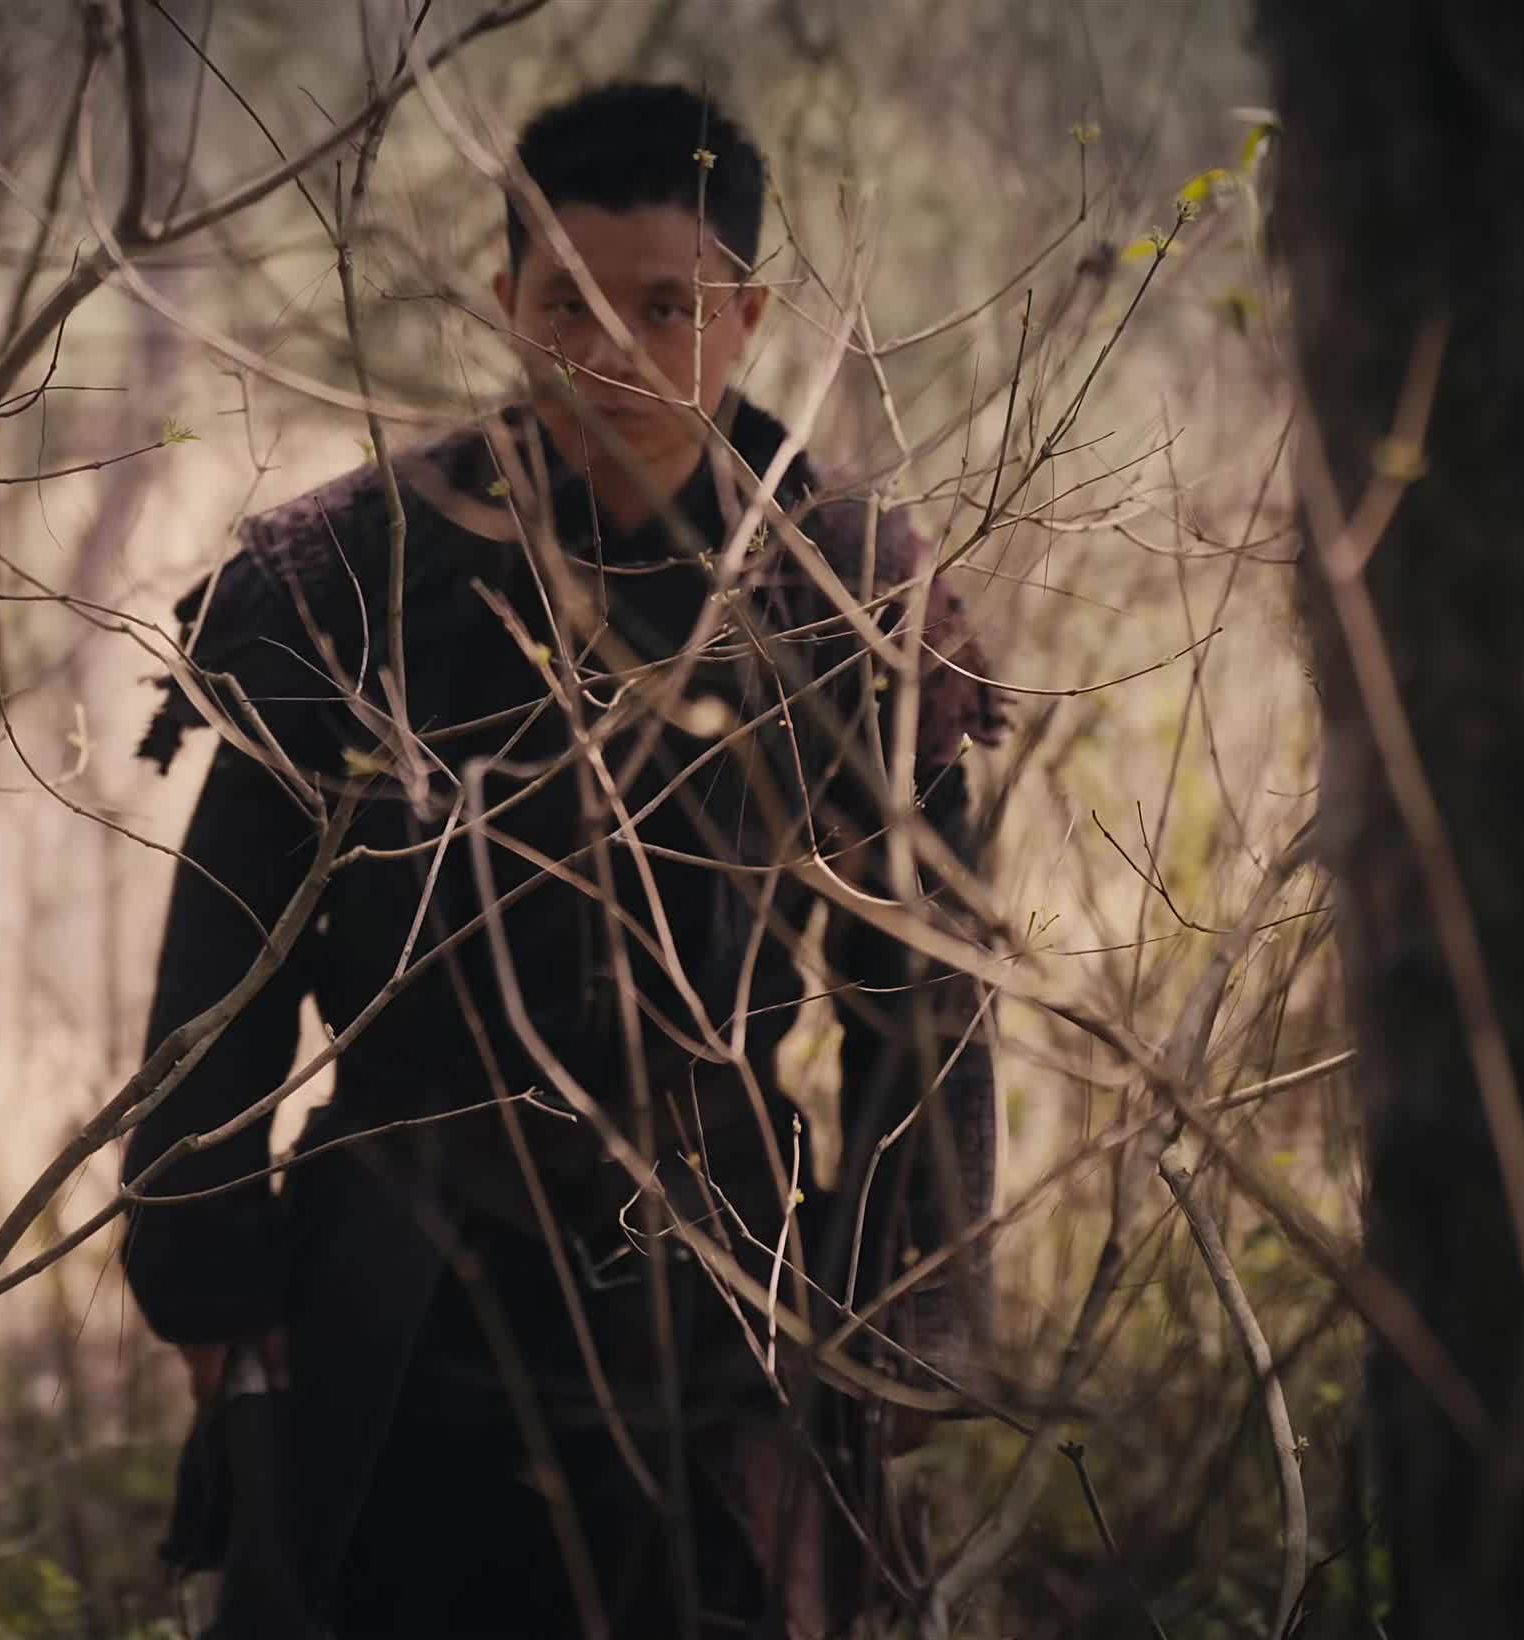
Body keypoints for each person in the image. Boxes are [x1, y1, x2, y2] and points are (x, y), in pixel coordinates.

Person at [122, 80, 1004, 1640]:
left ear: (745, 319)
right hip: (400, 1269)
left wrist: (909, 1299)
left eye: (668, 309)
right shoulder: (348, 579)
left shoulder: (846, 596)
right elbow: (225, 967)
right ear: (506, 303)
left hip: (719, 1270)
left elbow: (921, 994)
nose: (614, 356)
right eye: (569, 308)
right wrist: (205, 1271)